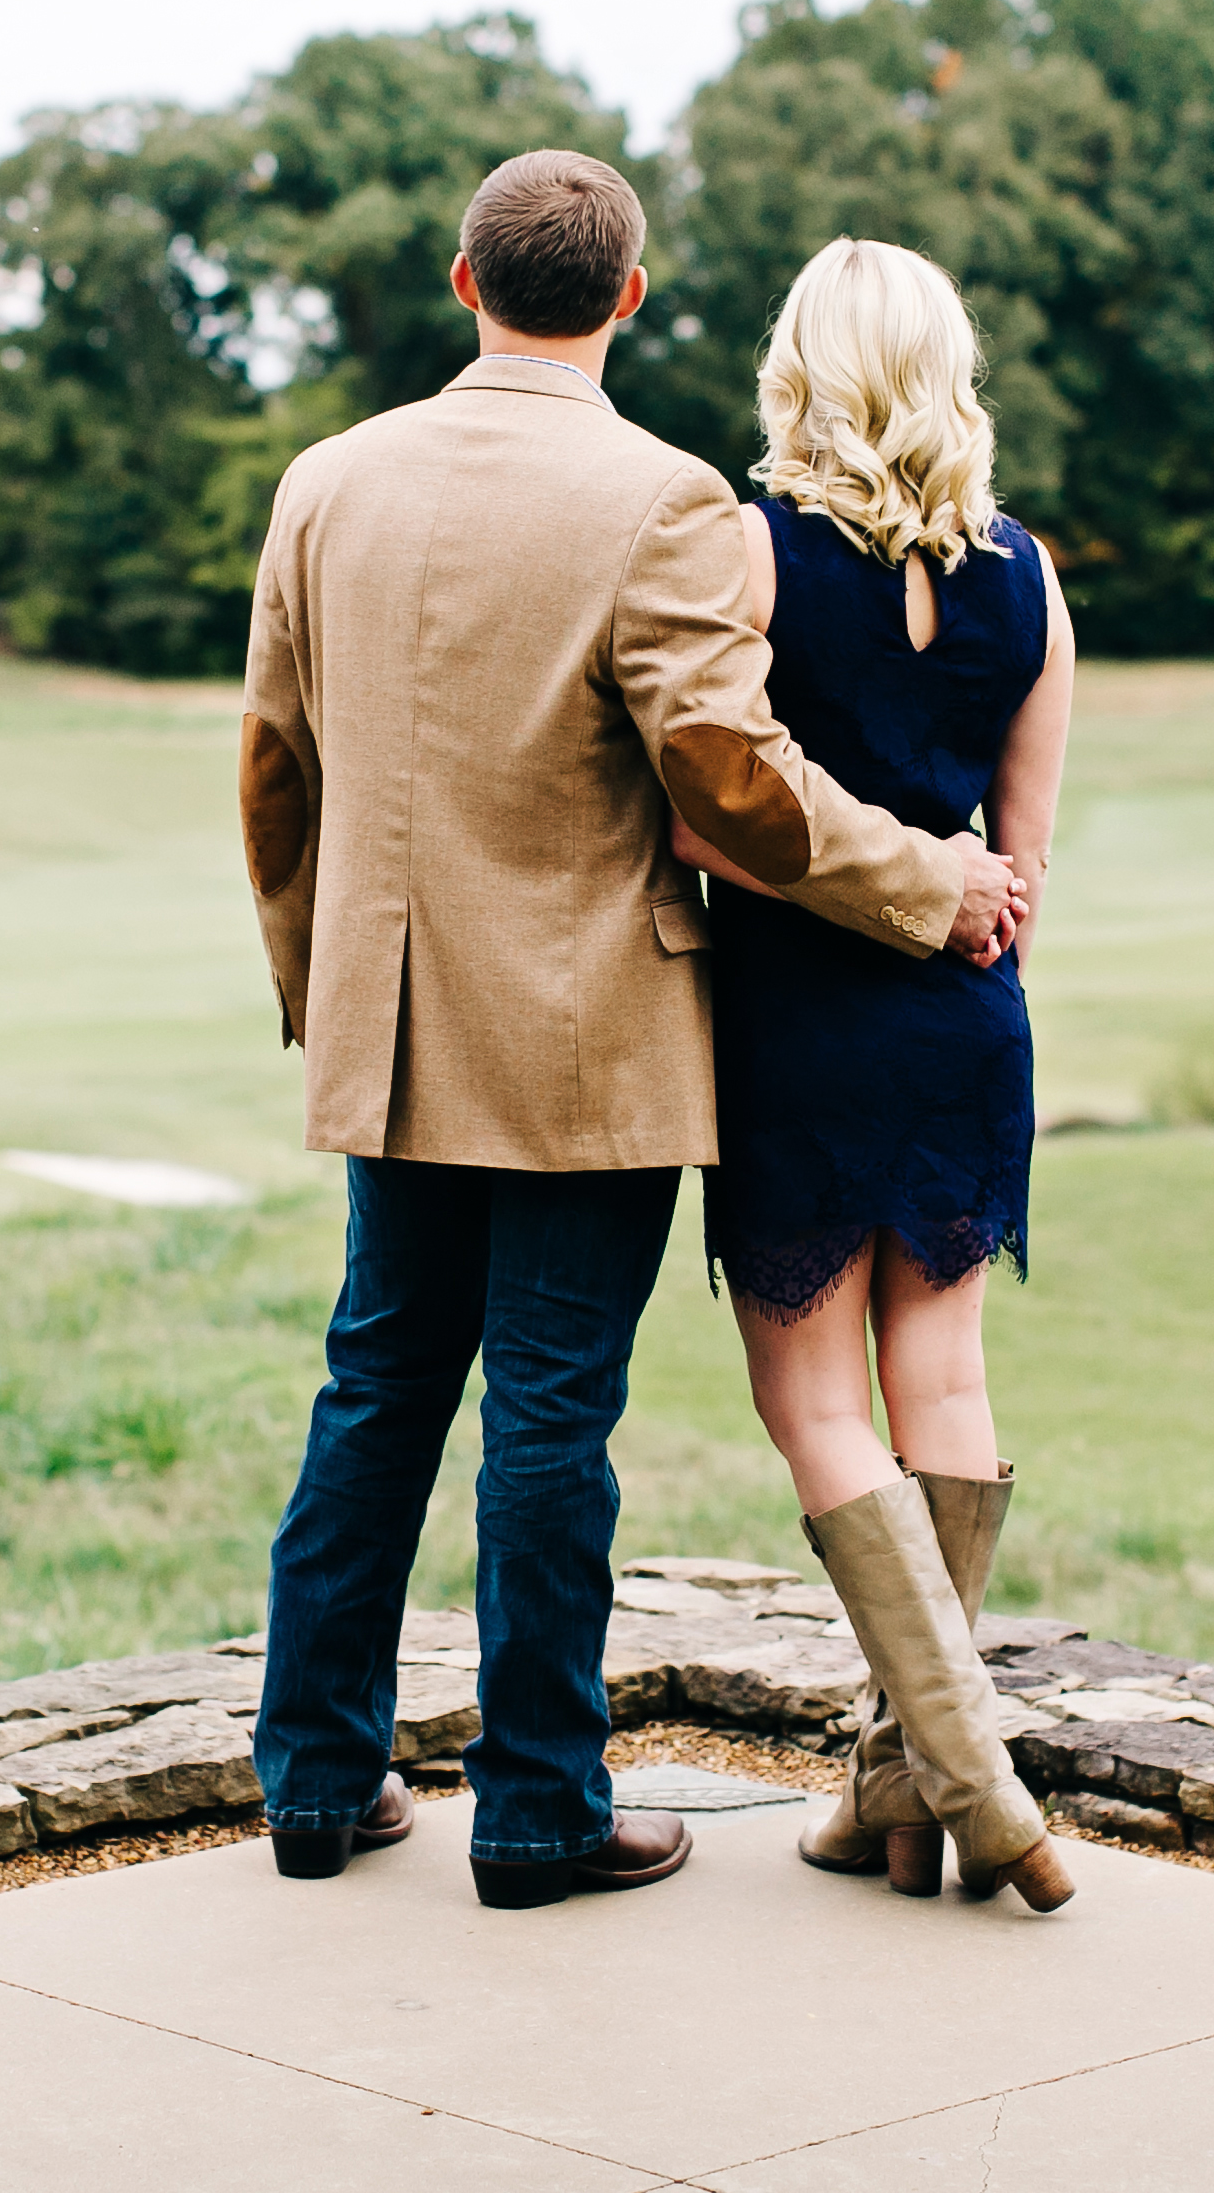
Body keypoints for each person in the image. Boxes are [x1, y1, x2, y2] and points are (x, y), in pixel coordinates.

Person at [238, 154, 1029, 1910]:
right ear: (632, 296)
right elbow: (733, 790)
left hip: (393, 1023)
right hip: (591, 1036)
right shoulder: (662, 501)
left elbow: (276, 763)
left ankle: (313, 1782)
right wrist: (930, 886)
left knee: (373, 1392)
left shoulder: (325, 481)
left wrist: (320, 988)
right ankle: (534, 1812)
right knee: (548, 1417)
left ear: (463, 281)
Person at [670, 237, 1079, 1914]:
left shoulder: (753, 559)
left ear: (802, 372)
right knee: (946, 1377)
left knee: (814, 1403)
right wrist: (961, 956)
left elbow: (707, 818)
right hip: (967, 1021)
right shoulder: (1032, 580)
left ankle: (976, 1788)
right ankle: (893, 1794)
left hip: (798, 1021)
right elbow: (1024, 871)